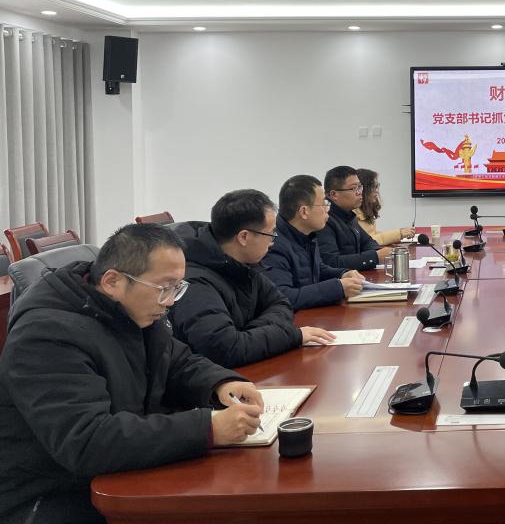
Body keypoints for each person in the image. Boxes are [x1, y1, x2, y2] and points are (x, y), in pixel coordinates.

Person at [0, 224, 265, 524]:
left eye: (177, 288)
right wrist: (208, 427)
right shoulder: (46, 336)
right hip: (51, 497)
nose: (170, 301)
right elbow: (87, 441)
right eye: (164, 288)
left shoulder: (128, 309)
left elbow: (175, 361)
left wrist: (220, 384)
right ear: (112, 281)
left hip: (116, 474)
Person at [170, 189, 336, 367]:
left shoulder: (243, 264)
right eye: (270, 234)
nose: (272, 242)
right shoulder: (195, 283)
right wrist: (291, 335)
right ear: (244, 237)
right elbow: (225, 349)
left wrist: (251, 334)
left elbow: (280, 303)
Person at [264, 175, 365, 309]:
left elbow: (317, 269)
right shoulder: (273, 245)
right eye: (324, 203)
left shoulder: (307, 234)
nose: (327, 209)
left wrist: (343, 273)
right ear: (304, 211)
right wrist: (338, 288)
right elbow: (285, 297)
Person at [318, 165, 393, 272]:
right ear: (334, 194)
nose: (359, 192)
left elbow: (368, 242)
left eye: (360, 187)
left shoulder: (350, 217)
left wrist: (381, 252)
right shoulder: (325, 222)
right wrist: (375, 256)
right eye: (354, 188)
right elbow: (331, 262)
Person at [355, 168, 415, 246]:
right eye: (374, 186)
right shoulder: (353, 214)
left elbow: (374, 235)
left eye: (377, 186)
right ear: (364, 189)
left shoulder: (365, 209)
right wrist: (399, 233)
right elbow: (368, 242)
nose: (377, 190)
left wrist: (400, 233)